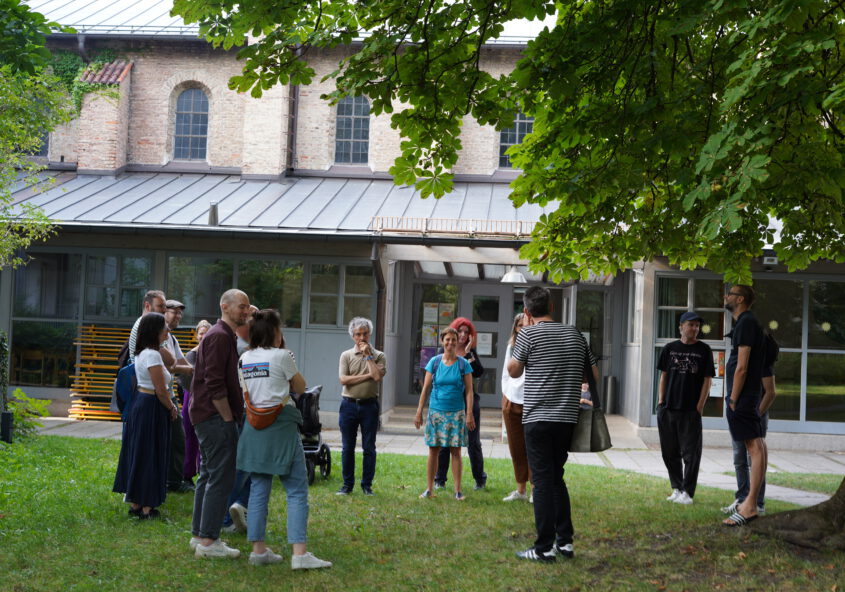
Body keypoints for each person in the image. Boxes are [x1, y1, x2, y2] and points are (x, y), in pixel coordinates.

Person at [237, 309, 332, 569]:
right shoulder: (282, 356)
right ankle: (299, 554)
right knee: (297, 490)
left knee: (258, 488)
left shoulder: (244, 358)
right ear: (275, 333)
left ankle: (258, 551)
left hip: (254, 426)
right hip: (281, 426)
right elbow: (300, 388)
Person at [508, 286, 596, 562]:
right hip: (566, 418)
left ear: (527, 311)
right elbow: (592, 371)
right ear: (552, 307)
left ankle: (544, 547)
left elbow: (513, 370)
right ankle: (565, 542)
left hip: (537, 417)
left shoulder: (528, 333)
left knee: (543, 482)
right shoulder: (574, 334)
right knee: (556, 477)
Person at [189, 289, 251, 559]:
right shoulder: (219, 336)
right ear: (224, 306)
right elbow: (214, 383)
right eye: (242, 306)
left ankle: (199, 535)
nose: (246, 311)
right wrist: (228, 418)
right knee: (220, 478)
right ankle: (209, 542)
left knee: (208, 476)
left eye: (248, 307)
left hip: (209, 415)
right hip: (214, 417)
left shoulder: (224, 335)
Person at [112, 312, 179, 519]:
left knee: (141, 452)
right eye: (165, 327)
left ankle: (137, 503)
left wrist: (162, 342)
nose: (168, 330)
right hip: (152, 405)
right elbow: (161, 389)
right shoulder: (152, 355)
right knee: (151, 453)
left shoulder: (146, 352)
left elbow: (173, 361)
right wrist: (171, 407)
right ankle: (148, 507)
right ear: (155, 331)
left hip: (143, 404)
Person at [656, 311, 715, 505]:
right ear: (681, 327)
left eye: (697, 325)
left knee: (691, 453)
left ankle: (688, 493)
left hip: (690, 410)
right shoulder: (669, 348)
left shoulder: (704, 350)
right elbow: (663, 376)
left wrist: (700, 405)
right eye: (691, 325)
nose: (695, 329)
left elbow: (707, 380)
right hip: (669, 408)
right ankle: (677, 488)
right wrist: (661, 402)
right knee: (669, 451)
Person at [722, 284, 768, 527]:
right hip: (748, 396)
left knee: (754, 447)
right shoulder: (746, 322)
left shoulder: (747, 323)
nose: (725, 296)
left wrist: (733, 398)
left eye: (729, 293)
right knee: (757, 445)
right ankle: (749, 502)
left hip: (744, 397)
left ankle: (750, 505)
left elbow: (742, 366)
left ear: (739, 299)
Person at [414, 326, 476, 500]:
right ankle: (429, 489)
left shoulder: (463, 364)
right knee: (433, 451)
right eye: (447, 340)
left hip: (457, 413)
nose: (450, 343)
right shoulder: (434, 362)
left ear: (457, 343)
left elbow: (470, 391)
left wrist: (469, 414)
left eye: (453, 340)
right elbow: (425, 388)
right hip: (436, 412)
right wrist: (419, 411)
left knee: (456, 451)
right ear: (442, 341)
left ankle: (457, 491)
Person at [435, 317, 486, 491]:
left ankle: (480, 479)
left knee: (473, 443)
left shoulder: (470, 353)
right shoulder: (443, 354)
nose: (463, 335)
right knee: (445, 442)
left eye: (467, 332)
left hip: (469, 402)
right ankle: (439, 479)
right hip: (448, 403)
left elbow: (479, 372)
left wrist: (469, 352)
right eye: (461, 331)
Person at [336, 317, 386, 496]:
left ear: (369, 334)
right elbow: (344, 380)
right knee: (347, 447)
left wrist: (368, 357)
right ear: (353, 336)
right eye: (358, 334)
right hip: (348, 405)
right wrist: (367, 376)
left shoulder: (379, 355)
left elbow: (377, 377)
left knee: (369, 447)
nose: (362, 337)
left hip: (369, 406)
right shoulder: (346, 355)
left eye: (365, 333)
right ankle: (347, 485)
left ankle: (367, 486)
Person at [722, 359, 777, 516]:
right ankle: (741, 499)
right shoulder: (738, 359)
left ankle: (757, 503)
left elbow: (771, 392)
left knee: (755, 458)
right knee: (739, 457)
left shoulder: (761, 361)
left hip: (753, 414)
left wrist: (756, 415)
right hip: (740, 413)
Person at [222, 304, 260, 533]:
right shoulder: (243, 350)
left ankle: (240, 507)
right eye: (249, 320)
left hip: (247, 411)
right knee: (243, 468)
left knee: (251, 466)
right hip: (245, 411)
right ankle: (229, 515)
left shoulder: (246, 348)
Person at [163, 299, 194, 493]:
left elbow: (181, 362)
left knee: (177, 437)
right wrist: (188, 369)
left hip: (169, 392)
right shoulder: (159, 337)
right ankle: (169, 481)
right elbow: (170, 366)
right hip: (158, 393)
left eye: (180, 313)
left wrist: (197, 371)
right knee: (172, 437)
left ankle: (174, 481)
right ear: (164, 312)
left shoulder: (171, 339)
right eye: (174, 312)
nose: (178, 316)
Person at [501, 313, 531, 503]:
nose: (522, 329)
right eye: (519, 326)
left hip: (531, 401)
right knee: (516, 447)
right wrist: (506, 395)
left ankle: (535, 490)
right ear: (515, 328)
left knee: (533, 447)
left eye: (525, 325)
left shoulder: (537, 344)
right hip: (512, 400)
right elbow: (506, 373)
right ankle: (521, 490)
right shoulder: (512, 346)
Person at [180, 319, 211, 486]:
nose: (203, 336)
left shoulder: (213, 353)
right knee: (190, 435)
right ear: (196, 335)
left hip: (206, 398)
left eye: (207, 333)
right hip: (191, 397)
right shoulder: (191, 355)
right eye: (201, 333)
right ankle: (187, 473)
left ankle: (203, 471)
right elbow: (185, 380)